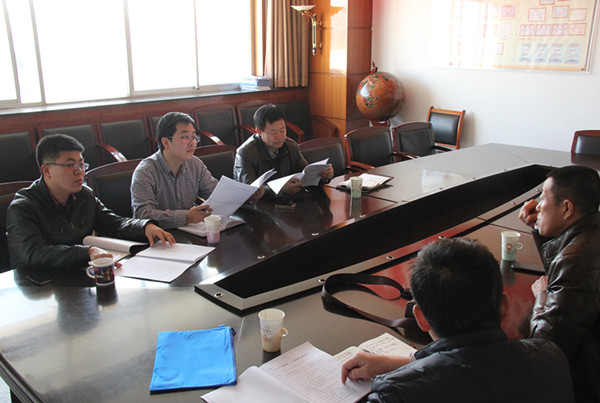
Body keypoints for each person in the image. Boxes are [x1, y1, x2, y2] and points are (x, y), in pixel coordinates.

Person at [341, 238, 574, 402]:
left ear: (421, 318)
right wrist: (405, 362)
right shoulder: (551, 356)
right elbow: (476, 364)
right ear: (503, 306)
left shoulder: (396, 394)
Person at [7, 134, 174, 272]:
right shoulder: (23, 207)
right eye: (70, 165)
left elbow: (113, 223)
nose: (79, 172)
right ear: (46, 170)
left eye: (81, 164)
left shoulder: (84, 195)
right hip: (37, 287)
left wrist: (145, 227)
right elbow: (33, 254)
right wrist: (87, 252)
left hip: (77, 274)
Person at [519, 165, 600, 402]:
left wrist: (541, 297)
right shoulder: (591, 235)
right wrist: (540, 227)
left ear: (566, 208)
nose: (537, 205)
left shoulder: (575, 261)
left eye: (543, 198)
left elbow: (544, 348)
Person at [131, 112, 264, 229]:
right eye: (185, 137)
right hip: (159, 239)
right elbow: (142, 215)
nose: (192, 143)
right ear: (166, 142)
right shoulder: (145, 172)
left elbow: (217, 193)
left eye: (194, 137)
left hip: (190, 233)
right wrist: (186, 217)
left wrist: (247, 197)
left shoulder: (194, 164)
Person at [233, 104, 333, 198]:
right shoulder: (245, 153)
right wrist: (279, 189)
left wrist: (323, 175)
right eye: (274, 133)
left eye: (282, 130)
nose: (280, 136)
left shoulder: (291, 146)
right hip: (259, 206)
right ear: (259, 131)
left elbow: (306, 173)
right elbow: (249, 190)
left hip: (287, 202)